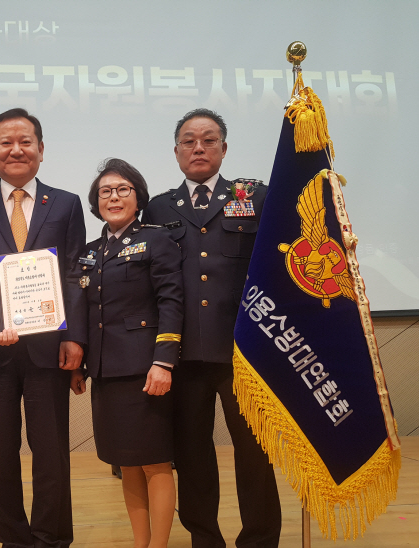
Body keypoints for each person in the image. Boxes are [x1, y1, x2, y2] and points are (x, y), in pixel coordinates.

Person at [142, 109, 282, 548]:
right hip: (183, 358)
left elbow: (278, 264)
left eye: (208, 140)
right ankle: (204, 537)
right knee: (193, 457)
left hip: (244, 356)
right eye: (189, 141)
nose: (198, 148)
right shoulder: (159, 206)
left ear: (224, 148)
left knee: (255, 456)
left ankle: (259, 539)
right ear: (177, 151)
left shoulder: (255, 197)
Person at [0, 108, 87, 548]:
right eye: (5, 143)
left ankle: (51, 537)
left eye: (25, 141)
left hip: (49, 349)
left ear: (41, 150)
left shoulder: (65, 203)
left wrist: (74, 335)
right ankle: (11, 538)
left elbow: (73, 273)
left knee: (51, 454)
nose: (16, 150)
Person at [70, 158, 184, 548]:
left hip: (144, 369)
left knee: (154, 461)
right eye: (106, 191)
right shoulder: (88, 251)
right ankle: (141, 542)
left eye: (123, 189)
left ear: (138, 197)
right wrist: (80, 365)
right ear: (95, 201)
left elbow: (172, 301)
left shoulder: (157, 240)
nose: (114, 197)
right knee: (127, 463)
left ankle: (159, 544)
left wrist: (163, 361)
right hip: (105, 371)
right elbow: (83, 311)